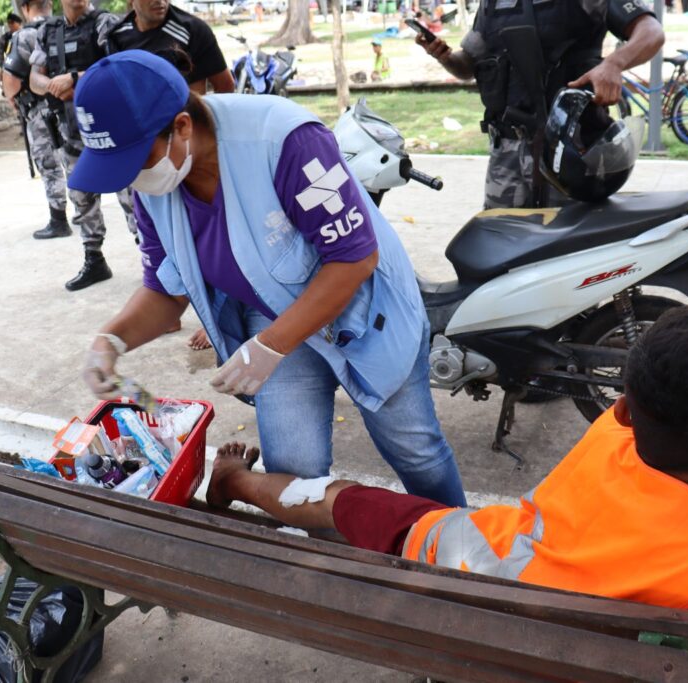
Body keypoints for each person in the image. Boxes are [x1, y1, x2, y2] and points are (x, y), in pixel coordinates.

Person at [206, 306, 688, 682]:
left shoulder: (613, 436)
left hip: (469, 557)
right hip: (565, 651)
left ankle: (237, 482)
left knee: (343, 499)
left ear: (623, 408)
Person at [71, 51, 467, 508]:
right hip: (271, 314)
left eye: (133, 161)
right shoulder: (154, 189)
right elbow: (165, 290)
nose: (129, 180)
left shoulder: (285, 139)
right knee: (292, 472)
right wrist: (111, 341)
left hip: (366, 306)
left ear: (182, 127)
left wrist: (270, 346)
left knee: (414, 449)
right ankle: (309, 565)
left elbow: (353, 259)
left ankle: (458, 549)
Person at [417, 0, 664, 209]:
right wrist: (445, 56)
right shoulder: (492, 4)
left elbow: (651, 31)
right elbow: (468, 65)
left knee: (569, 252)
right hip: (507, 156)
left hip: (570, 151)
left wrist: (614, 64)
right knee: (501, 248)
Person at [28, 0, 138, 291]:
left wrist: (75, 78)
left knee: (133, 199)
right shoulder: (48, 31)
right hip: (72, 132)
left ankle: (154, 264)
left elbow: (119, 68)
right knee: (81, 195)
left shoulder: (106, 24)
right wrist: (52, 85)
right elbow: (34, 79)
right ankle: (94, 259)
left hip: (112, 130)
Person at [2, 0, 72, 239]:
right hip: (69, 106)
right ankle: (88, 211)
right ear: (50, 4)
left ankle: (58, 219)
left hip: (40, 110)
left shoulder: (24, 36)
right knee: (74, 159)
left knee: (49, 165)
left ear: (25, 8)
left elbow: (10, 81)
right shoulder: (66, 27)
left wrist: (9, 96)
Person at [106, 0, 235, 94]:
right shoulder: (116, 36)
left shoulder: (194, 30)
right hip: (143, 125)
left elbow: (225, 86)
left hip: (186, 123)